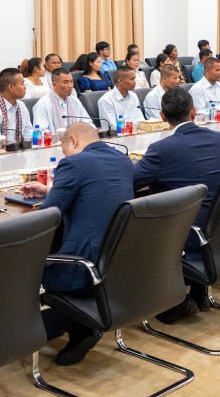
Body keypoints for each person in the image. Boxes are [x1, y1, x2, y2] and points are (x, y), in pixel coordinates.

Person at [18, 123, 133, 366]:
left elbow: (48, 215)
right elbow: (95, 188)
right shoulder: (123, 160)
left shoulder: (73, 163)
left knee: (23, 266)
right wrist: (50, 189)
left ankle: (34, 335)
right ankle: (80, 326)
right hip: (117, 264)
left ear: (73, 140)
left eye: (65, 150)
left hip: (81, 268)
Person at [133, 86, 220, 321]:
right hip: (215, 227)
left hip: (180, 233)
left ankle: (170, 300)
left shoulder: (161, 149)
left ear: (162, 116)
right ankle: (197, 290)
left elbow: (133, 180)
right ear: (193, 111)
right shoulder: (217, 139)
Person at [97, 64, 146, 131]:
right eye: (132, 79)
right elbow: (113, 128)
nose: (134, 82)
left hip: (136, 133)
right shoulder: (105, 100)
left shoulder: (133, 96)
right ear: (120, 81)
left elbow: (141, 120)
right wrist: (135, 128)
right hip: (117, 136)